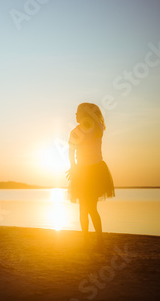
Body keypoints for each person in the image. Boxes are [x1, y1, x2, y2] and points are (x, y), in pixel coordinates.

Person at [67, 102, 115, 249]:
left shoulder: (76, 131)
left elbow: (71, 152)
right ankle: (97, 239)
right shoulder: (98, 128)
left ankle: (87, 239)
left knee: (84, 208)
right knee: (91, 208)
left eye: (77, 112)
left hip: (84, 172)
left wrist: (73, 167)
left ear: (84, 114)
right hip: (96, 171)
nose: (75, 114)